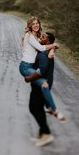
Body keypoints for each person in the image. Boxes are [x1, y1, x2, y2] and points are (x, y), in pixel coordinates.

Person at [17, 17, 61, 146]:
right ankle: (44, 132)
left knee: (35, 107)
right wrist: (53, 46)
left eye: (37, 23)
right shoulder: (32, 37)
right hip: (28, 68)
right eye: (33, 23)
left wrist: (52, 47)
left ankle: (47, 129)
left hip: (36, 75)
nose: (36, 25)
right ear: (30, 26)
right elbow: (43, 46)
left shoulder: (41, 46)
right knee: (35, 107)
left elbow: (43, 50)